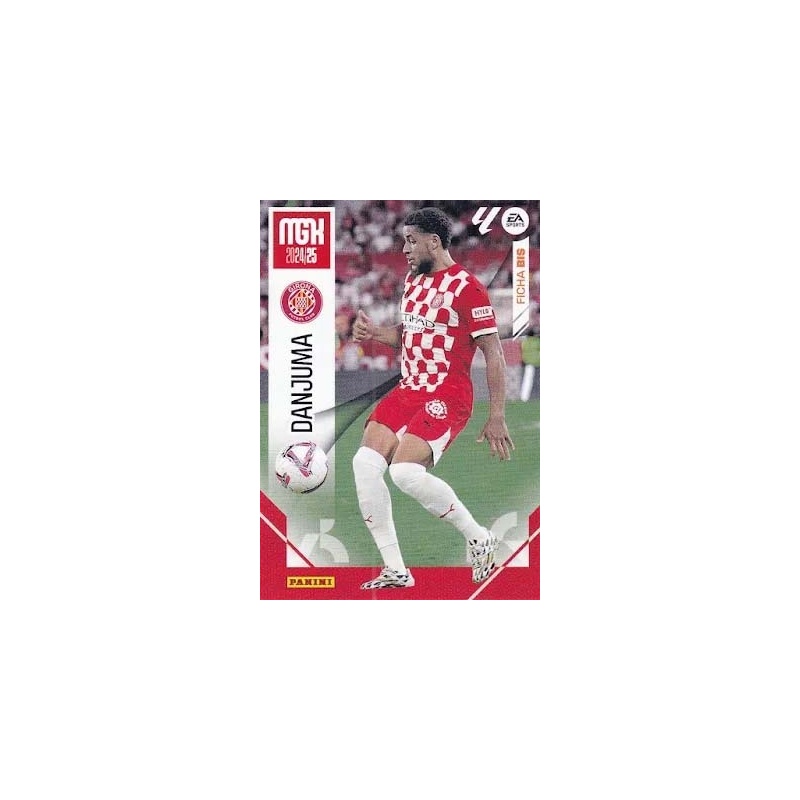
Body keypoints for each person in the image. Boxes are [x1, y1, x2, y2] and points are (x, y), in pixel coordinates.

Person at [352, 207, 514, 589]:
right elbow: (409, 334)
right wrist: (375, 333)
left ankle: (479, 538)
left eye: (411, 241)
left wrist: (497, 415)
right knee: (364, 464)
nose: (404, 249)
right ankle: (396, 570)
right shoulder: (413, 281)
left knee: (404, 472)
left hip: (448, 391)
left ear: (434, 242)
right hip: (410, 387)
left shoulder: (467, 288)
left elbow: (493, 352)